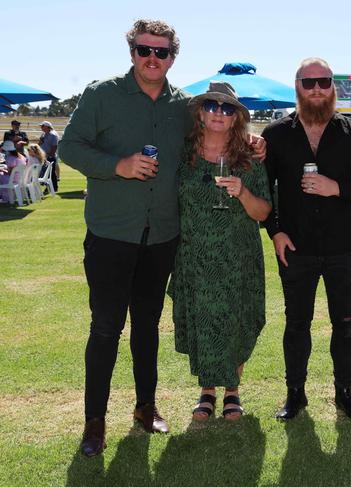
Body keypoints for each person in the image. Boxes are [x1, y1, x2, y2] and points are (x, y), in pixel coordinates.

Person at [59, 18, 194, 458]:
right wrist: (117, 165)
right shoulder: (102, 95)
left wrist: (250, 140)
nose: (152, 59)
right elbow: (69, 147)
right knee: (105, 328)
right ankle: (94, 422)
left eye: (161, 52)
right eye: (144, 50)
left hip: (161, 237)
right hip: (112, 232)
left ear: (173, 57)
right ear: (131, 50)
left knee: (147, 328)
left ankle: (145, 407)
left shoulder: (184, 106)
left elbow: (213, 139)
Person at [262, 57, 351, 421]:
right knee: (296, 323)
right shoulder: (276, 134)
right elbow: (264, 189)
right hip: (295, 247)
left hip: (344, 247)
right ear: (296, 85)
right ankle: (295, 394)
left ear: (333, 88)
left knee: (345, 323)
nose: (316, 89)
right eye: (308, 82)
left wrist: (336, 188)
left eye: (324, 82)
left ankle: (344, 392)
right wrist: (275, 231)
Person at [169, 81, 271, 422]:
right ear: (200, 111)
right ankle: (206, 391)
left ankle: (233, 391)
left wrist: (242, 192)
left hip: (237, 254)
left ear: (236, 117)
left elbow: (263, 212)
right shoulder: (182, 153)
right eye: (212, 106)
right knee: (203, 319)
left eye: (227, 109)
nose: (218, 113)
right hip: (194, 255)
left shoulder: (250, 157)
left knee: (235, 320)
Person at [38, 121, 59, 191]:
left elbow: (54, 146)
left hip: (49, 157)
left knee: (50, 173)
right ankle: (52, 187)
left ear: (47, 127)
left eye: (42, 126)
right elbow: (40, 144)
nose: (41, 128)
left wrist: (50, 155)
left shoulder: (53, 135)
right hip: (43, 156)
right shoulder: (44, 134)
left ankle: (52, 187)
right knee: (50, 173)